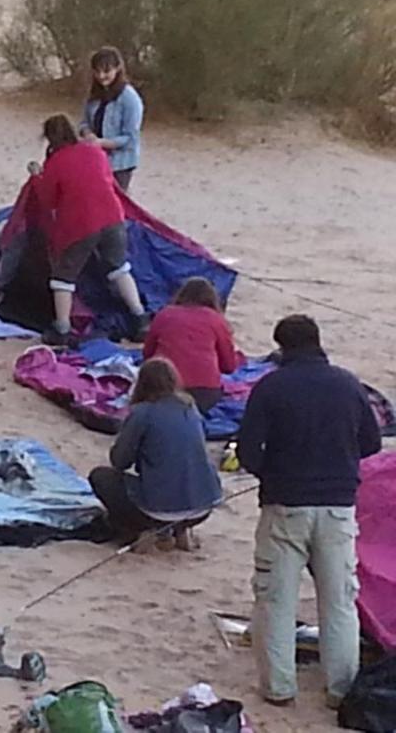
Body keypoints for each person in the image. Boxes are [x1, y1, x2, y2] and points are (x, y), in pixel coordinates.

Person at [238, 315, 381, 709]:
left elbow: (248, 451)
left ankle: (279, 688)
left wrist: (273, 473)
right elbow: (371, 442)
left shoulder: (270, 387)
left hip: (285, 505)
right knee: (338, 600)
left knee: (276, 599)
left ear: (282, 348)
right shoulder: (348, 384)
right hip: (337, 507)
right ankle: (341, 690)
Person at [31, 114, 150, 345]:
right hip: (113, 218)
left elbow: (49, 201)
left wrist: (37, 178)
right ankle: (140, 318)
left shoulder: (56, 162)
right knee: (118, 268)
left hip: (80, 225)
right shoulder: (95, 151)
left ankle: (62, 329)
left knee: (63, 277)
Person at [88, 358, 223, 551]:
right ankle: (178, 531)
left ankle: (139, 530)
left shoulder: (143, 413)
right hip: (203, 506)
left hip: (158, 508)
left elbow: (119, 461)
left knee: (101, 477)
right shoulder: (190, 407)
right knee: (172, 478)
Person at [144, 277, 238, 415]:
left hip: (163, 389)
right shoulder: (216, 320)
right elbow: (229, 366)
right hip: (204, 394)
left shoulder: (165, 314)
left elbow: (148, 354)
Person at [78, 46, 144, 192]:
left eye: (106, 71)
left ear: (117, 69)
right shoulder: (94, 95)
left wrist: (102, 143)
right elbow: (84, 122)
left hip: (121, 163)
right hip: (95, 159)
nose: (101, 76)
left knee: (116, 205)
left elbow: (130, 137)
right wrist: (88, 134)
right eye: (97, 71)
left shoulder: (130, 98)